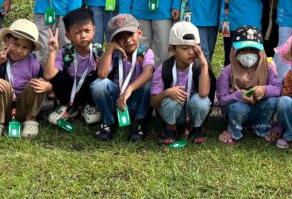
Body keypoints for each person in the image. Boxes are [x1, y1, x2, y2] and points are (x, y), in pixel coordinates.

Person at [92, 13, 155, 142]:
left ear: (139, 33)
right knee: (98, 84)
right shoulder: (113, 54)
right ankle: (108, 122)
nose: (127, 40)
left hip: (135, 100)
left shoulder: (145, 52)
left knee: (148, 83)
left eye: (130, 34)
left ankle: (139, 122)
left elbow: (148, 72)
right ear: (114, 40)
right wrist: (110, 48)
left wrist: (129, 89)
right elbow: (102, 74)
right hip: (117, 100)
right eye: (120, 37)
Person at [0, 18, 46, 139]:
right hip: (3, 108)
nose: (19, 50)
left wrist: (46, 86)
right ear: (6, 41)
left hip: (24, 108)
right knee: (0, 83)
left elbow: (44, 87)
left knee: (37, 83)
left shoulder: (34, 64)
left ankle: (30, 120)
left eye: (25, 48)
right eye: (15, 44)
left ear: (31, 50)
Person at [150, 21, 212, 145]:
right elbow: (153, 102)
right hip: (172, 112)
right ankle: (171, 128)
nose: (191, 52)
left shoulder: (200, 67)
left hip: (192, 111)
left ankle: (196, 127)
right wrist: (167, 93)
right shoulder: (164, 68)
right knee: (170, 100)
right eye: (184, 48)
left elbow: (204, 93)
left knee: (202, 101)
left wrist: (205, 65)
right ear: (172, 50)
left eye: (194, 47)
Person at [216, 26, 281, 145]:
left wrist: (264, 90)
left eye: (253, 50)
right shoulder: (228, 71)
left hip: (258, 109)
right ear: (234, 51)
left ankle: (261, 128)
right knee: (238, 107)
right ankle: (233, 130)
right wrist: (238, 96)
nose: (248, 55)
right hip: (237, 110)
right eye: (243, 50)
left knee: (273, 101)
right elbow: (221, 99)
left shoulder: (267, 68)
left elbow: (278, 88)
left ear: (261, 52)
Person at [41, 8, 103, 128]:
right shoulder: (65, 52)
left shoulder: (98, 51)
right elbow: (48, 75)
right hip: (69, 90)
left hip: (88, 90)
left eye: (87, 31)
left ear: (94, 31)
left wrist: (101, 65)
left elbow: (105, 75)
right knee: (58, 75)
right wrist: (53, 52)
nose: (83, 35)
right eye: (77, 32)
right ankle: (67, 106)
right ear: (68, 35)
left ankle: (89, 106)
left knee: (99, 76)